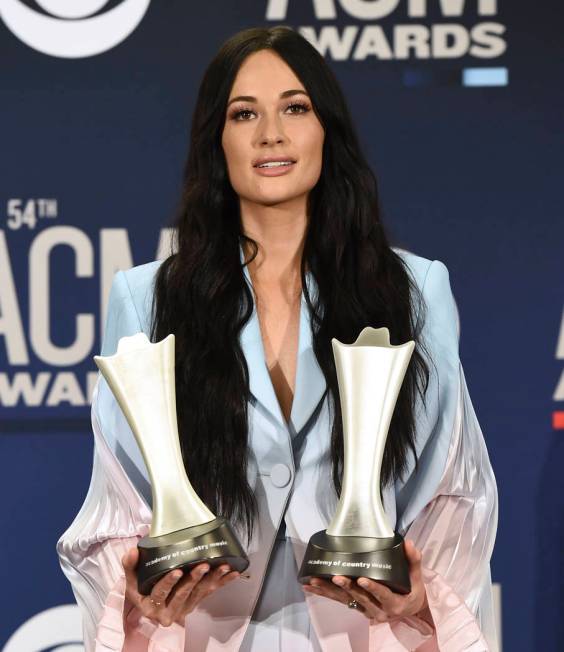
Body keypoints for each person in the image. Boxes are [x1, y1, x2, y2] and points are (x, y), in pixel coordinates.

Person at [57, 26, 499, 652]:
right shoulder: (147, 297)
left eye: (295, 107)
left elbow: (452, 489)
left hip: (364, 634)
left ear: (326, 130)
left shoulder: (414, 290)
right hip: (206, 634)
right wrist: (134, 589)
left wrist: (426, 597)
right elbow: (119, 496)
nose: (272, 134)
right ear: (218, 139)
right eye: (244, 114)